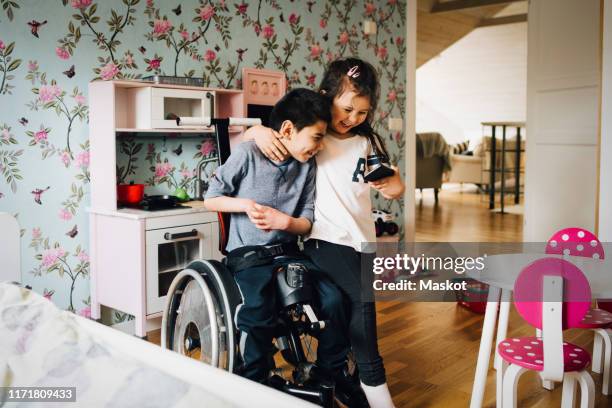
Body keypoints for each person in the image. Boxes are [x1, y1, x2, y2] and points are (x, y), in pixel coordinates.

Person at [246, 58, 405, 408]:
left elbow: (394, 189)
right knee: (363, 313)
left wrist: (392, 182)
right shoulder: (312, 136)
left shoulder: (366, 143)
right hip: (324, 240)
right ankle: (376, 388)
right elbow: (266, 136)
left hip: (362, 244)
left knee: (343, 309)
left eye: (362, 113)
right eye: (346, 109)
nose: (352, 119)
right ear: (325, 97)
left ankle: (329, 373)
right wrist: (255, 130)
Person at [203, 88, 351, 392]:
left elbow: (307, 218)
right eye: (317, 136)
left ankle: (327, 374)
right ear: (287, 129)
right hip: (248, 254)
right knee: (259, 310)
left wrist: (287, 223)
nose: (320, 146)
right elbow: (211, 199)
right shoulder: (247, 154)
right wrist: (244, 205)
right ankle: (253, 383)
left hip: (289, 253)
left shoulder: (307, 165)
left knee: (335, 300)